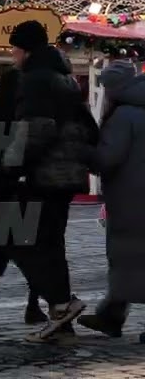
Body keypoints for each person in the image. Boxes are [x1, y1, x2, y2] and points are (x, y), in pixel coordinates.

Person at [4, 20, 95, 342]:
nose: (12, 55)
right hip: (68, 174)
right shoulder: (64, 77)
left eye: (14, 48)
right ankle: (62, 319)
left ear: (26, 49)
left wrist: (13, 168)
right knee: (52, 243)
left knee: (20, 241)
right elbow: (87, 126)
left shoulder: (36, 80)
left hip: (44, 173)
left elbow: (36, 130)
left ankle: (61, 303)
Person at [0, 66, 45, 324]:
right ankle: (34, 303)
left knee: (3, 239)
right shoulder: (26, 115)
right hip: (27, 184)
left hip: (0, 186)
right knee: (33, 243)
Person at [77, 61, 145, 340]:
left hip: (132, 199)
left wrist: (83, 152)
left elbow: (107, 158)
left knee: (127, 257)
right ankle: (111, 314)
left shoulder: (124, 116)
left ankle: (112, 315)